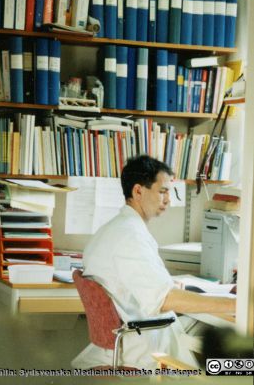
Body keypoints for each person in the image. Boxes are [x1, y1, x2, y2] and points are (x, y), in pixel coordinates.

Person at [72, 155, 236, 370]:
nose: (168, 199)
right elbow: (163, 299)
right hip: (143, 344)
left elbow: (136, 283)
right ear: (138, 191)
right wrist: (238, 305)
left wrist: (170, 284)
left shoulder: (114, 229)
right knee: (225, 342)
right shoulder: (130, 236)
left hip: (128, 336)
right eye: (162, 191)